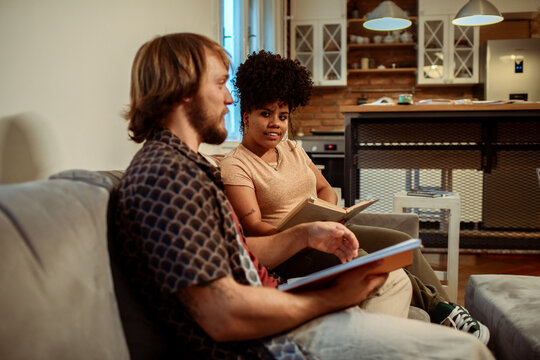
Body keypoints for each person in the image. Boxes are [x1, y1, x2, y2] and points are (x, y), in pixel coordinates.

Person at [115, 32, 494, 359]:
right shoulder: (166, 177)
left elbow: (237, 252)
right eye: (219, 84)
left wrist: (305, 234)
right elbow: (223, 315)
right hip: (268, 344)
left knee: (398, 286)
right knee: (464, 351)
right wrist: (332, 298)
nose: (230, 100)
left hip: (273, 303)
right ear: (182, 91)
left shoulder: (186, 168)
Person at [219, 50, 489, 343]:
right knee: (368, 260)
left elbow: (324, 189)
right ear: (246, 116)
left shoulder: (293, 149)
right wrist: (305, 230)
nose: (276, 124)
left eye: (282, 116)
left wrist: (327, 213)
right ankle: (442, 313)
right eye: (266, 114)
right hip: (290, 252)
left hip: (322, 230)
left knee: (400, 243)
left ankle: (451, 312)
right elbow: (255, 227)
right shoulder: (236, 164)